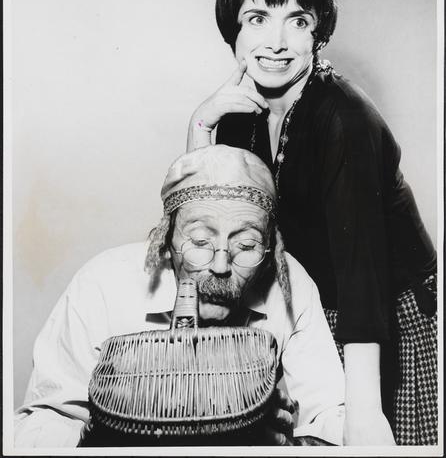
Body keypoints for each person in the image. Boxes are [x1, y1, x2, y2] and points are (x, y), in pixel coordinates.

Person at [187, 0, 437, 446]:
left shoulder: (345, 119)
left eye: (297, 20)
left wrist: (364, 413)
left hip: (386, 323)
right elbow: (202, 227)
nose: (276, 42)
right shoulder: (237, 116)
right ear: (233, 29)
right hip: (306, 316)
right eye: (258, 19)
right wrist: (200, 125)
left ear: (318, 31)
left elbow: (363, 276)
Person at [15, 145, 345, 448]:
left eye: (246, 245)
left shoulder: (291, 284)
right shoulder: (101, 284)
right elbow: (40, 424)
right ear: (165, 239)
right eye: (200, 241)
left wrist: (282, 446)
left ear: (270, 247)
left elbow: (331, 417)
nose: (220, 266)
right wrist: (105, 439)